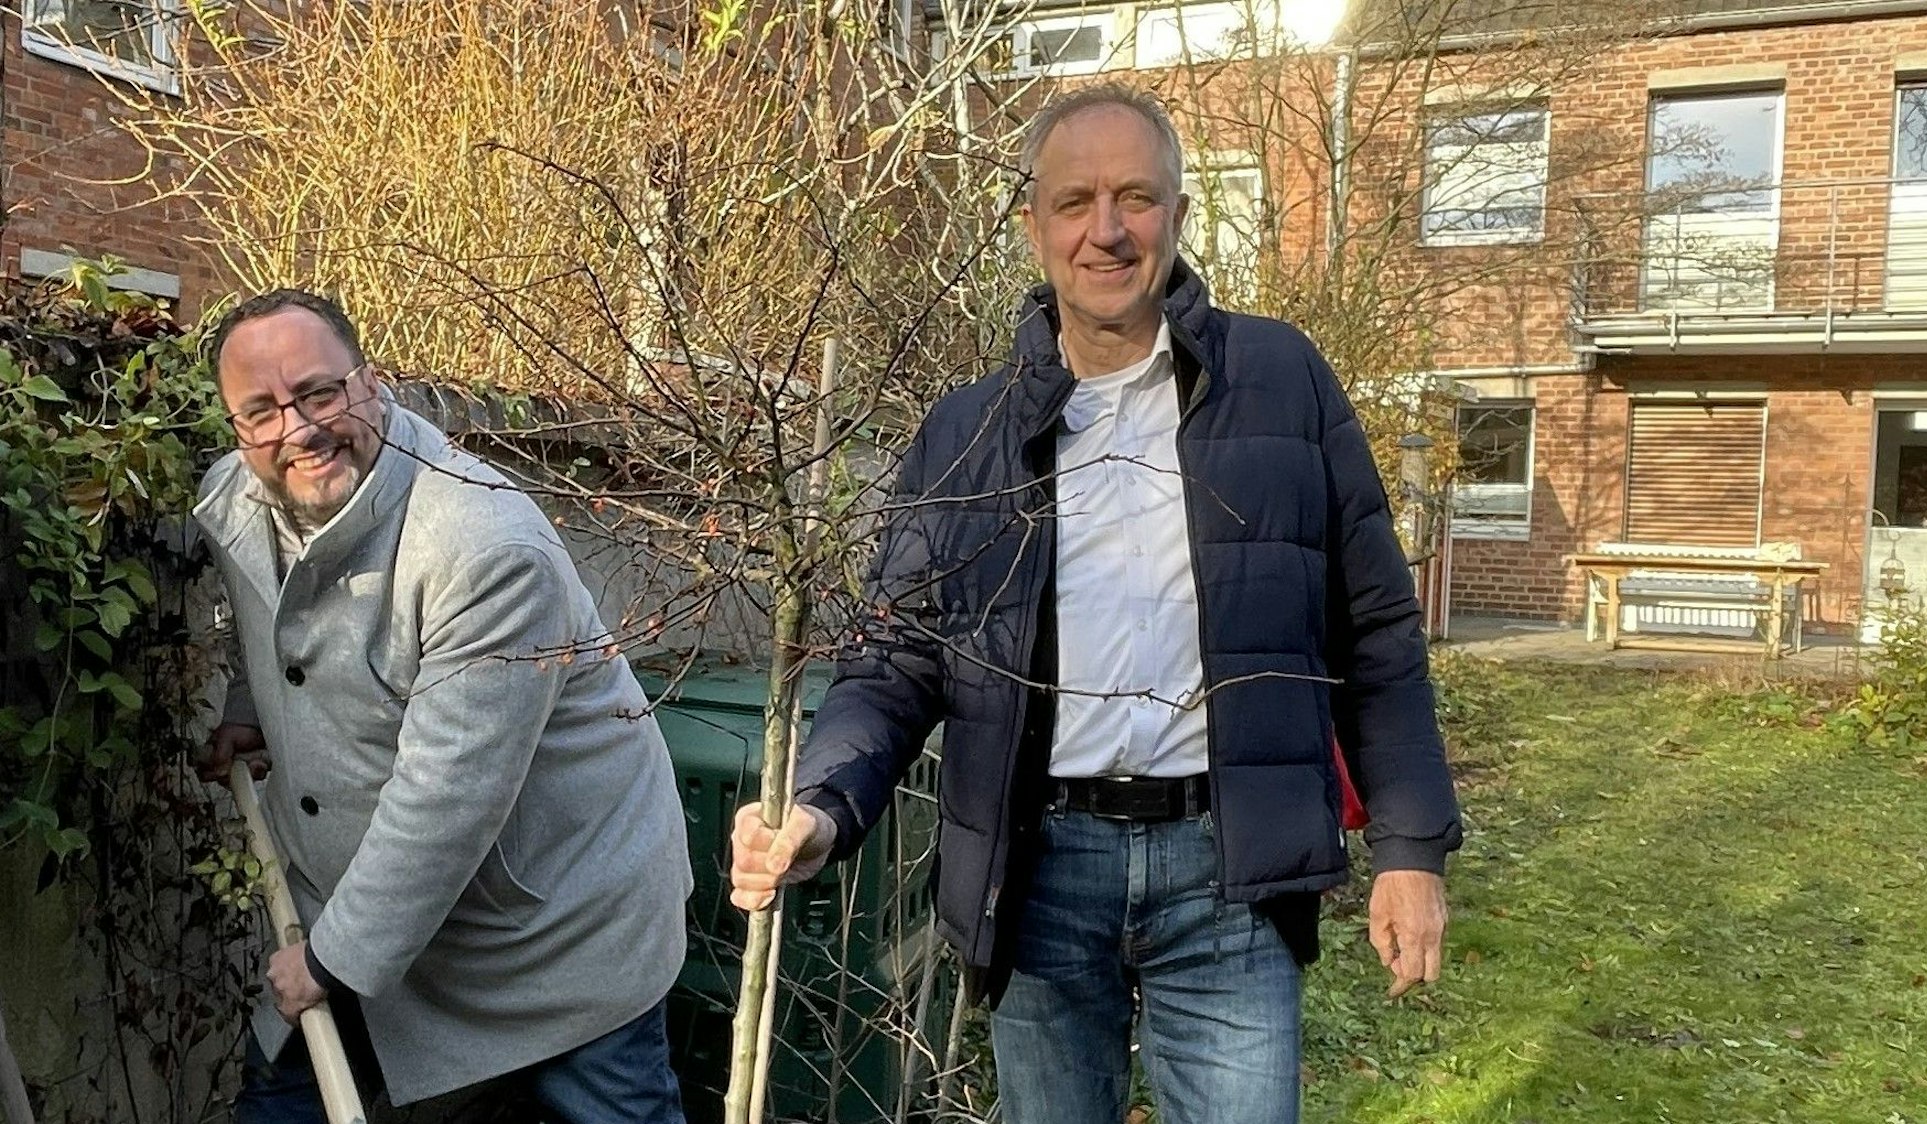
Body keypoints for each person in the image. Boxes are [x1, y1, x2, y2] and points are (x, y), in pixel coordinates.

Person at [729, 84, 1463, 1123]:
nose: (1106, 231)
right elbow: (896, 657)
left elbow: (1377, 635)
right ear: (1034, 226)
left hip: (1230, 870)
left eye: (1135, 198)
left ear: (1178, 214)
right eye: (1075, 202)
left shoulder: (1282, 382)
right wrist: (820, 801)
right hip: (1040, 871)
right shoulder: (966, 433)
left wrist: (1409, 847)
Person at [194, 289, 692, 1122]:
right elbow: (278, 608)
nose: (299, 430)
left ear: (370, 384)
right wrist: (254, 703)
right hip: (368, 904)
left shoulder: (482, 544)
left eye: (319, 393)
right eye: (262, 411)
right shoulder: (238, 500)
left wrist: (331, 961)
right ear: (236, 429)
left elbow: (450, 791)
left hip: (551, 935)